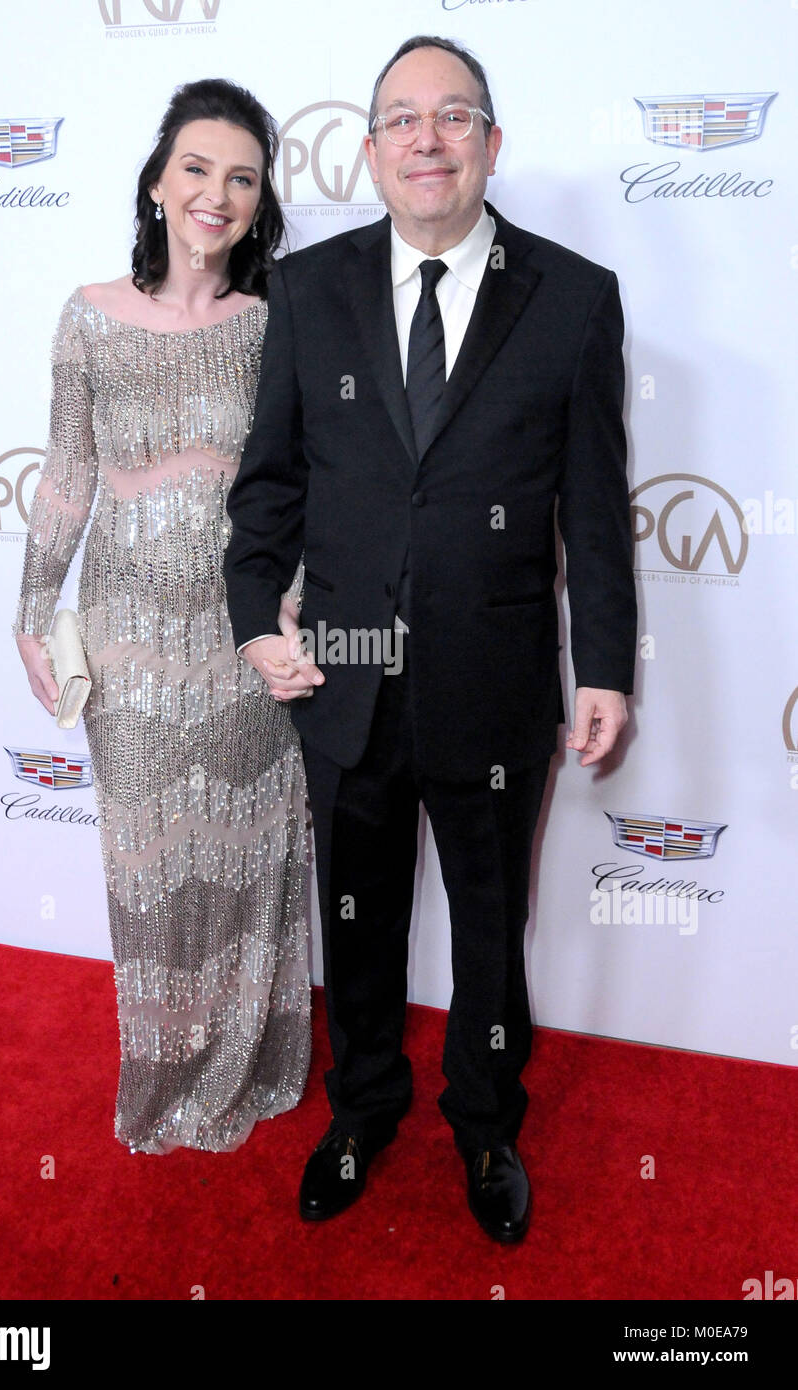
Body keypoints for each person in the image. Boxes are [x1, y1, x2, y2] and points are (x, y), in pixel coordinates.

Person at [223, 36, 637, 1238]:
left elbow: (595, 508)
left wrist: (602, 662)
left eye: (451, 115)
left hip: (496, 682)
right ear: (368, 151)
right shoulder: (308, 291)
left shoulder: (572, 297)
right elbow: (267, 492)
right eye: (400, 119)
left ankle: (486, 1122)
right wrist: (257, 622)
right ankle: (359, 1112)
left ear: (490, 144)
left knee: (488, 922)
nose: (425, 137)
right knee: (354, 917)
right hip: (341, 682)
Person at [13, 79, 311, 1154]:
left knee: (247, 857)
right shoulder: (88, 314)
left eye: (240, 176)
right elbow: (66, 471)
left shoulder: (276, 324)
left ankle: (252, 1059)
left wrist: (294, 614)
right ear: (154, 181)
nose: (215, 193)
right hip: (131, 637)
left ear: (259, 200)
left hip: (244, 631)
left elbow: (299, 484)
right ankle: (164, 1068)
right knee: (149, 869)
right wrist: (30, 607)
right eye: (195, 167)